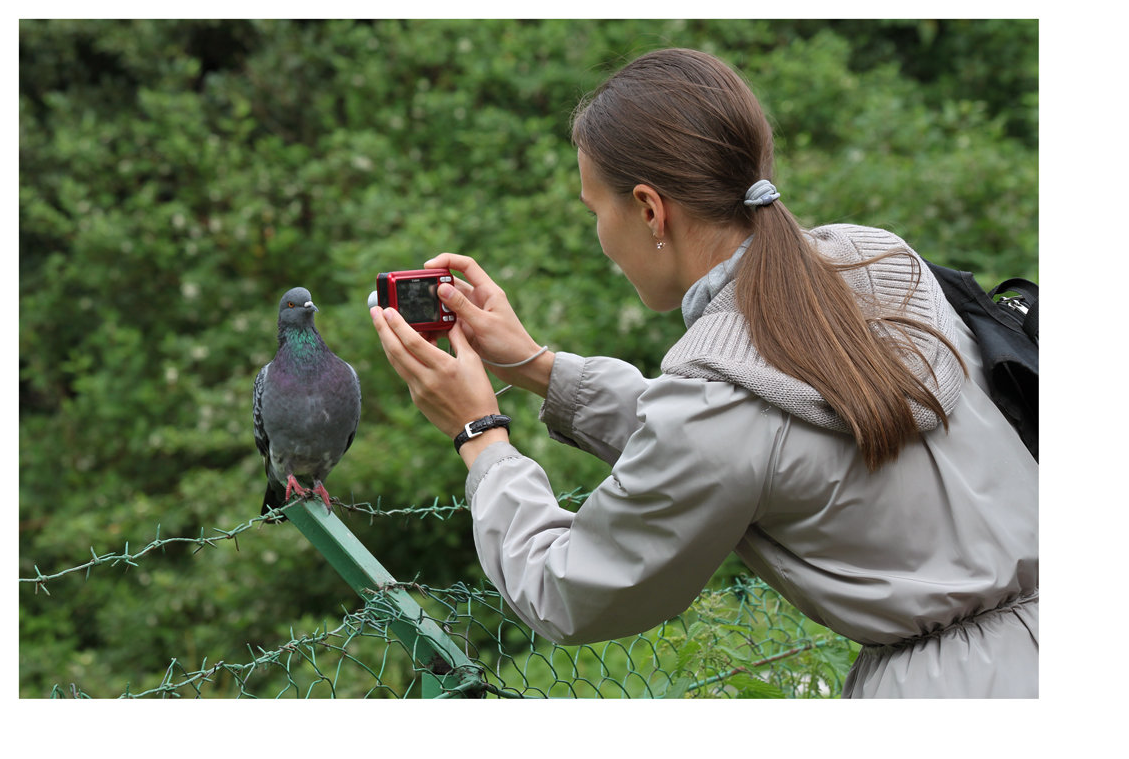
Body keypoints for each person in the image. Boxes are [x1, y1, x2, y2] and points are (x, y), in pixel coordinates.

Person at [369, 48, 1038, 698]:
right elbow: (761, 437)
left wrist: (479, 435)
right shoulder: (875, 261)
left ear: (650, 209)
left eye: (593, 208)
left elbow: (566, 589)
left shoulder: (721, 402)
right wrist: (539, 368)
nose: (600, 236)